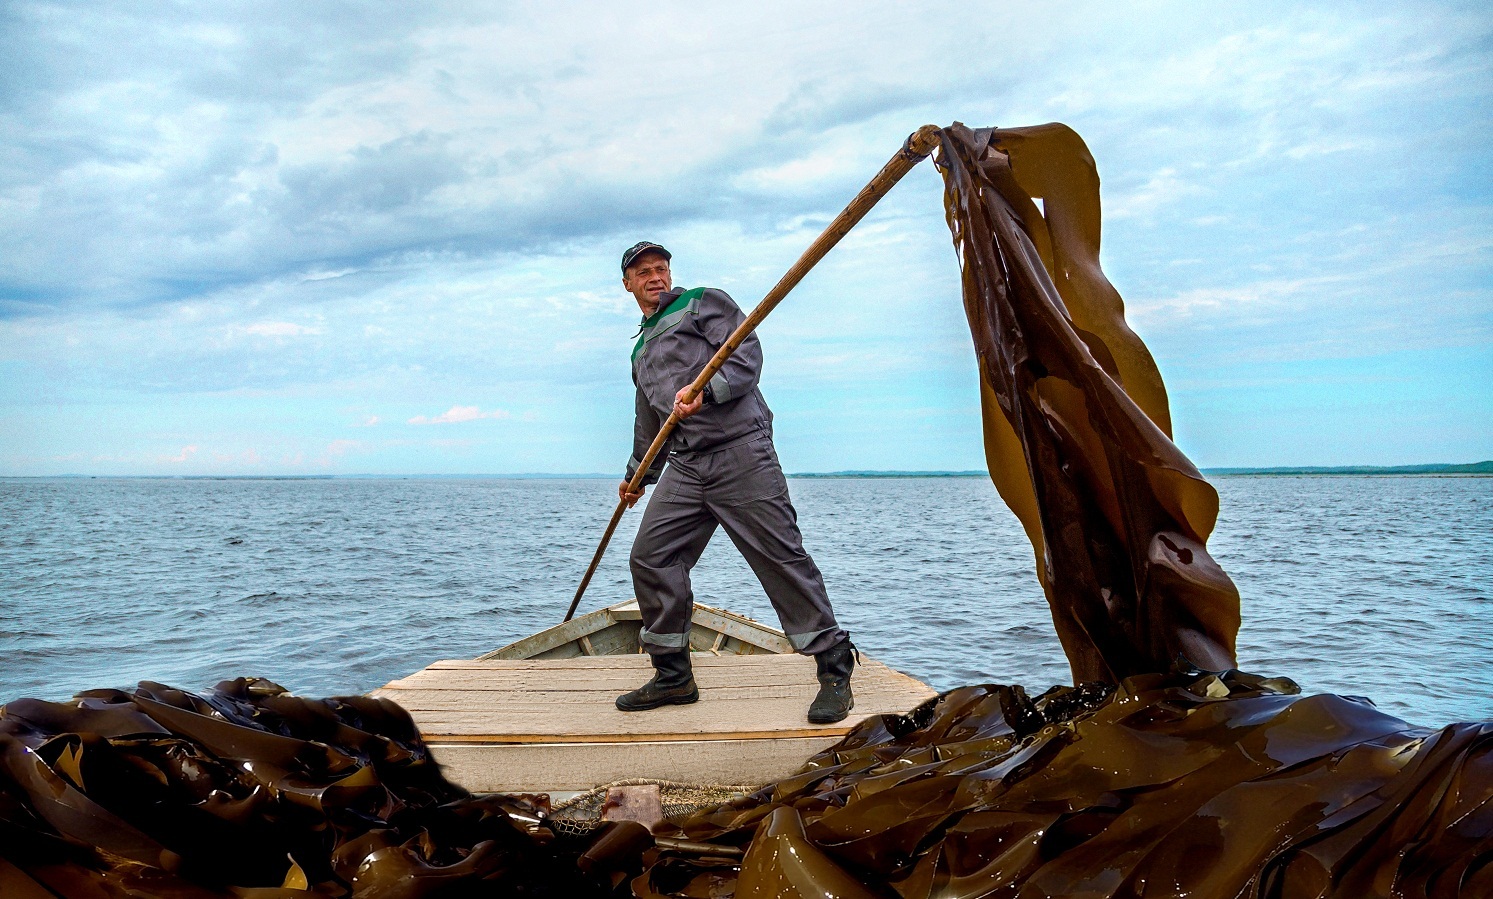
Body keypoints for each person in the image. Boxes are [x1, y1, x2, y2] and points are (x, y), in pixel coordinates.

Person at [612, 241, 856, 724]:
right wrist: (637, 475)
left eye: (661, 268)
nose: (655, 276)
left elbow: (745, 352)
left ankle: (833, 666)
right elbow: (649, 418)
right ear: (628, 284)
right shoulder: (639, 350)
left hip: (740, 451)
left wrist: (710, 391)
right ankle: (673, 677)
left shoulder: (702, 301)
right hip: (684, 465)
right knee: (651, 557)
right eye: (643, 272)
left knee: (778, 555)